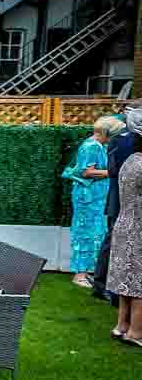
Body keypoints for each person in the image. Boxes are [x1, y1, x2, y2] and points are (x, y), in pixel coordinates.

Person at [62, 117, 118, 287]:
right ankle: (80, 275)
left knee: (95, 232)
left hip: (96, 197)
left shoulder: (98, 145)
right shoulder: (92, 146)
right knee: (86, 233)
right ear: (106, 133)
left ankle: (86, 273)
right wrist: (112, 172)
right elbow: (87, 172)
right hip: (88, 198)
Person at [93, 108, 139, 300]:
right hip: (122, 199)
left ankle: (107, 287)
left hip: (120, 199)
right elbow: (113, 170)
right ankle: (106, 287)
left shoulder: (119, 140)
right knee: (114, 240)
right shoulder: (121, 141)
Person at [104, 137, 142, 346]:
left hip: (124, 223)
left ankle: (121, 326)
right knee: (138, 281)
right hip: (138, 226)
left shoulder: (130, 160)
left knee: (126, 279)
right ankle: (136, 332)